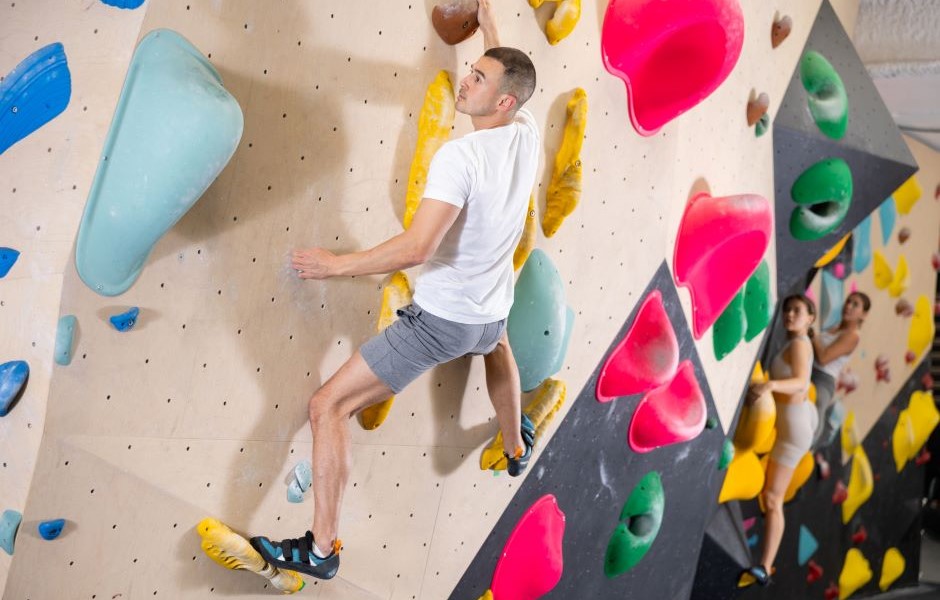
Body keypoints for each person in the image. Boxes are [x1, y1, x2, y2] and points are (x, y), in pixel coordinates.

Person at [249, 0, 540, 580]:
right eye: (470, 69)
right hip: (490, 309)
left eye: (478, 77)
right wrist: (486, 24)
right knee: (497, 346)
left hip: (441, 322)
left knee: (326, 406)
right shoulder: (525, 131)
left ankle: (322, 549)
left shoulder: (460, 158)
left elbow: (416, 250)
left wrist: (335, 266)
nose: (466, 77)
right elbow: (514, 73)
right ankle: (515, 448)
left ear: (502, 101)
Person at [746, 294, 819, 586]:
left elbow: (802, 382)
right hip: (796, 422)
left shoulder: (801, 343)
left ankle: (765, 567)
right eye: (787, 309)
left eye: (798, 310)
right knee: (770, 496)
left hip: (793, 431)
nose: (790, 314)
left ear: (810, 318)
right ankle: (765, 564)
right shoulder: (795, 342)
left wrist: (770, 385)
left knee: (773, 499)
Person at [810, 291, 871, 447]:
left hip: (821, 382)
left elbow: (823, 358)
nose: (848, 306)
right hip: (811, 372)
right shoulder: (836, 327)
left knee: (811, 425)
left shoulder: (853, 336)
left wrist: (812, 336)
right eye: (848, 302)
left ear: (863, 315)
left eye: (855, 304)